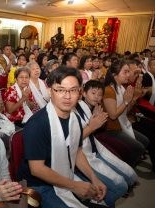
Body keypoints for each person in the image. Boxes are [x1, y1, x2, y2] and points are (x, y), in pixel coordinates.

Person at [17, 66, 107, 208]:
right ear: (50, 91)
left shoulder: (74, 119)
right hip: (39, 185)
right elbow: (37, 169)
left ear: (80, 92)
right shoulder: (37, 124)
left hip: (65, 173)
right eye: (60, 90)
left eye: (73, 90)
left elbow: (76, 152)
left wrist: (93, 177)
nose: (67, 96)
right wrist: (74, 186)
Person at [75, 80, 137, 207]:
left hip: (95, 148)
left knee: (131, 176)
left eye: (99, 94)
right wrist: (92, 126)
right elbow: (72, 142)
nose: (97, 97)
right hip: (83, 155)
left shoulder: (87, 107)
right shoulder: (75, 109)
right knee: (121, 186)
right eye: (93, 93)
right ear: (84, 93)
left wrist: (94, 122)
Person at [103, 60, 147, 167]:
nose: (128, 75)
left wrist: (134, 98)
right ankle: (126, 168)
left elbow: (126, 111)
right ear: (114, 75)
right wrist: (126, 101)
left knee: (145, 141)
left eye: (129, 72)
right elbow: (113, 115)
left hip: (122, 123)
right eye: (125, 72)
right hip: (111, 128)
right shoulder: (108, 90)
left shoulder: (121, 87)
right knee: (139, 147)